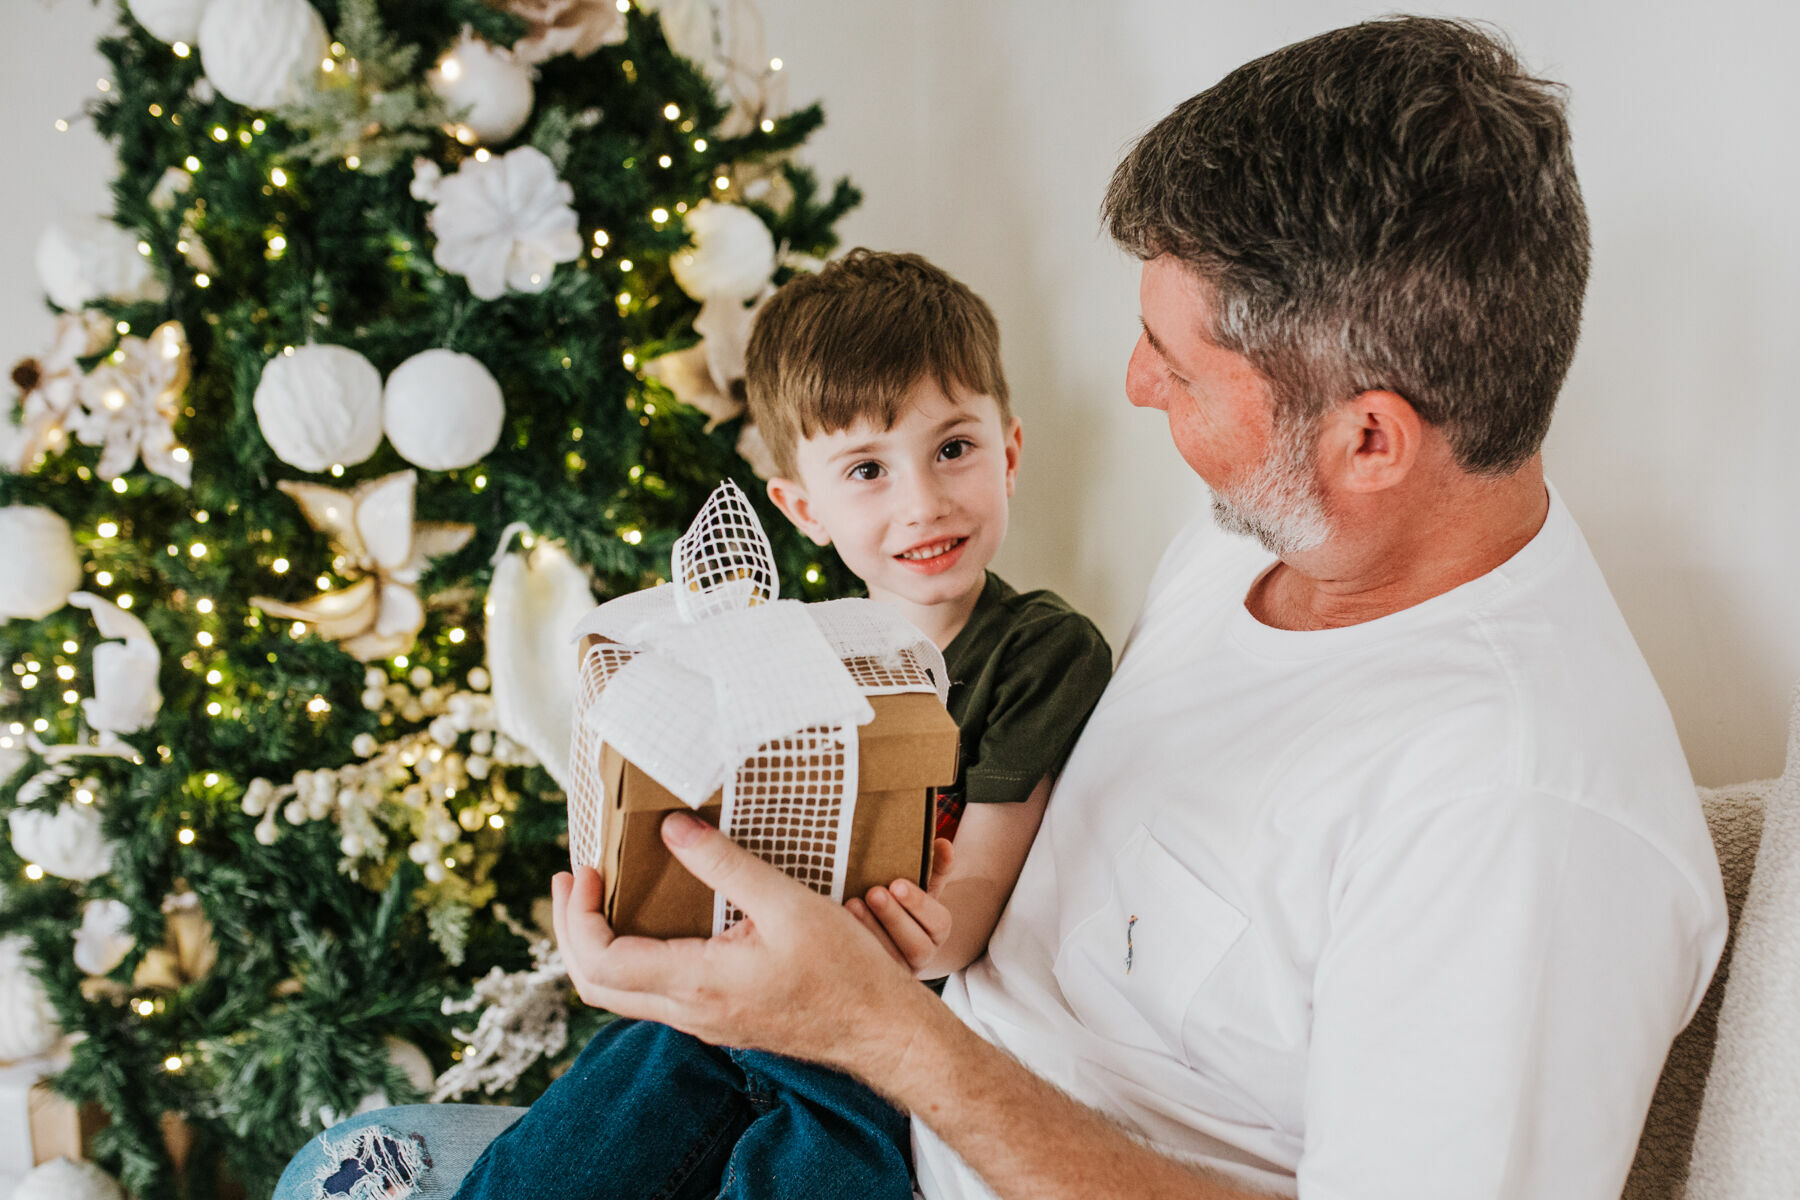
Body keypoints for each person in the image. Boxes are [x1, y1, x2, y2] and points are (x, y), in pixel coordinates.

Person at [542, 16, 1728, 1200]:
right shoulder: (1248, 539)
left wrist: (875, 1032)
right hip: (858, 1096)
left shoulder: (1516, 822)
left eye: (1182, 364)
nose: (1134, 381)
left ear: (1368, 439)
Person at [449, 250, 1114, 1199]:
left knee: (810, 1166)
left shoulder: (1038, 652)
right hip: (736, 996)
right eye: (867, 471)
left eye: (953, 449)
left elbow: (973, 902)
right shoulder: (791, 654)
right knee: (569, 1149)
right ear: (804, 509)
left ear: (1008, 451)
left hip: (884, 1030)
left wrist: (916, 939)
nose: (922, 501)